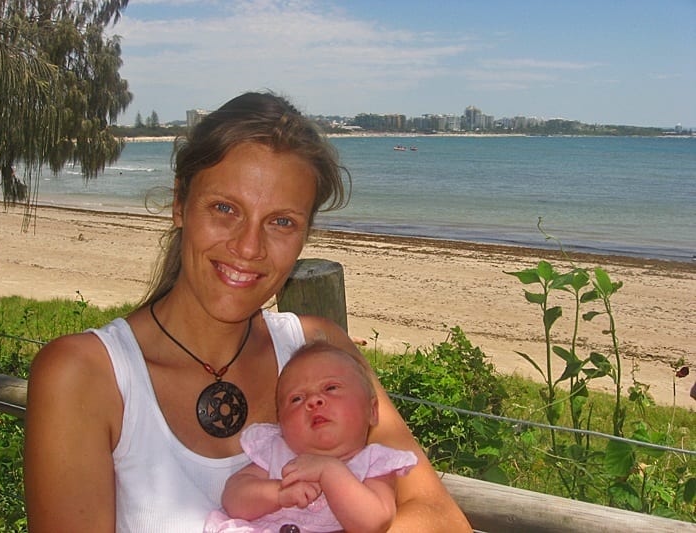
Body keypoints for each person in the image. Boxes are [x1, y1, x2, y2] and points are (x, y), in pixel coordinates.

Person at [24, 91, 472, 532]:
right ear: (180, 204)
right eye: (224, 208)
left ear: (305, 235)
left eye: (281, 221)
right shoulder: (86, 376)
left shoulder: (318, 349)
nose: (248, 247)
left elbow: (440, 518)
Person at [204, 341, 418, 533]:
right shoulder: (276, 451)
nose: (314, 400)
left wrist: (330, 471)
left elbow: (374, 522)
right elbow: (234, 498)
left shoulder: (375, 464)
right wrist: (278, 493)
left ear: (372, 411)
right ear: (281, 424)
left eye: (331, 388)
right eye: (296, 399)